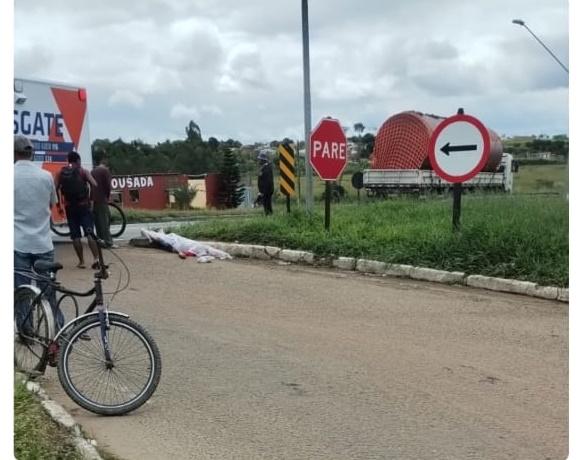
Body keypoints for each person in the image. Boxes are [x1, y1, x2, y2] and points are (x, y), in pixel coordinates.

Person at [14, 135, 64, 334]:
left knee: (21, 292)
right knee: (48, 290)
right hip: (43, 243)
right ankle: (59, 329)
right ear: (31, 152)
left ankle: (27, 331)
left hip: (18, 244)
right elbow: (51, 203)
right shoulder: (46, 176)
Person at [55, 151, 100, 269]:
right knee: (89, 233)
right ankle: (96, 259)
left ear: (68, 161)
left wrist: (59, 205)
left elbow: (55, 189)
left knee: (75, 236)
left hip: (70, 207)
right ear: (78, 160)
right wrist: (91, 200)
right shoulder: (83, 171)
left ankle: (81, 262)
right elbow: (94, 184)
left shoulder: (60, 173)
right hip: (84, 206)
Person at [91, 154, 116, 248]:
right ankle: (108, 242)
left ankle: (100, 241)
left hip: (93, 199)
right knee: (105, 221)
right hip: (102, 199)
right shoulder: (105, 171)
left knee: (98, 221)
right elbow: (108, 186)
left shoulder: (93, 171)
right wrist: (108, 196)